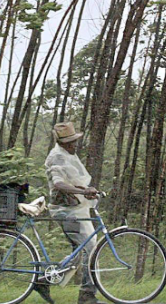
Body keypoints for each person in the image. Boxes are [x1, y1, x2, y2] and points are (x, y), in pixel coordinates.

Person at [36, 121, 104, 304]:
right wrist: (83, 191)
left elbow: (73, 180)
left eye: (75, 140)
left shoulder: (67, 154)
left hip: (76, 208)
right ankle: (87, 296)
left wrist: (87, 190)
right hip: (66, 210)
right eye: (72, 141)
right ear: (63, 142)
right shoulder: (56, 157)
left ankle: (44, 281)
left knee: (82, 250)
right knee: (90, 249)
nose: (75, 144)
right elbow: (58, 183)